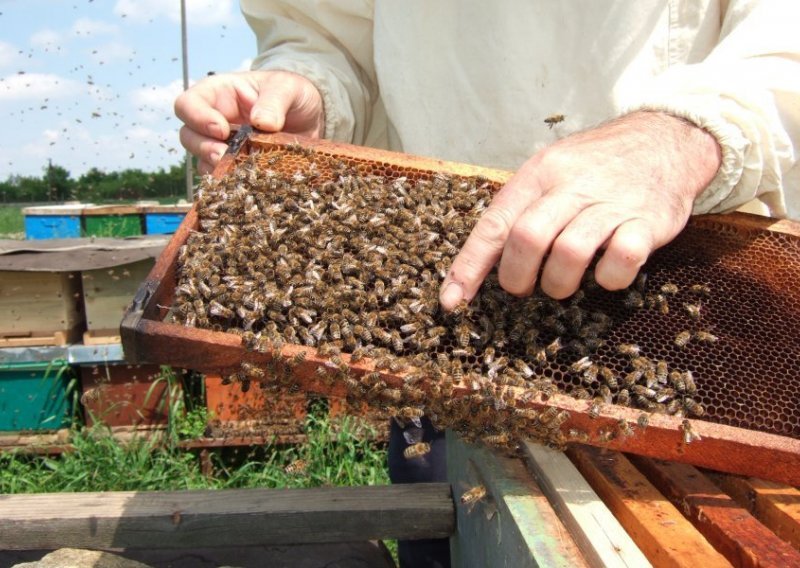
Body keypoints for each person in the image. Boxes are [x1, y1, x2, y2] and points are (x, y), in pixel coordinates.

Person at [175, 2, 800, 567]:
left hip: (700, 322)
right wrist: (316, 87)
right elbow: (330, 34)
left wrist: (684, 135)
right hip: (445, 331)